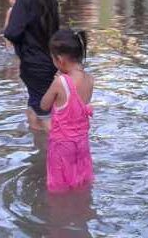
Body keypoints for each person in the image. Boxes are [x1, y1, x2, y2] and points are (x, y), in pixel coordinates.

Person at [4, 0, 60, 131]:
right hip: (49, 63)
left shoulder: (25, 0)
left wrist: (16, 9)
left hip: (33, 67)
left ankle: (59, 154)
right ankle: (40, 155)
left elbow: (12, 33)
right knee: (33, 112)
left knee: (44, 116)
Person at [40, 29, 94, 193]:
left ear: (60, 60)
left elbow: (44, 105)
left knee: (59, 188)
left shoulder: (61, 82)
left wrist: (56, 82)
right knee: (79, 181)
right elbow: (78, 106)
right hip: (82, 144)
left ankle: (61, 215)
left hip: (62, 147)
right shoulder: (90, 79)